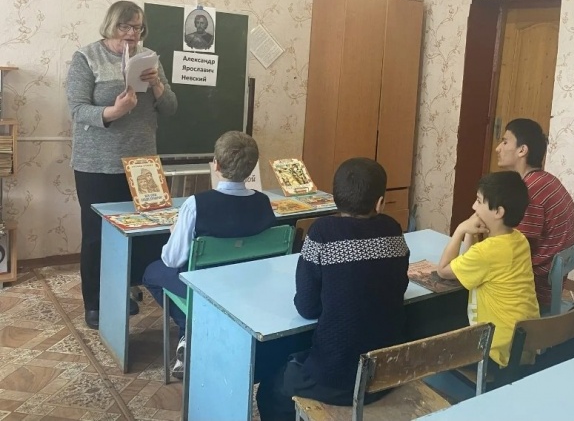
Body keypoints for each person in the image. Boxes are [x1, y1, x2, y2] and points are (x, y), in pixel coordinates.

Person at [255, 157, 410, 420]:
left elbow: (307, 307)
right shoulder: (393, 230)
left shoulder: (322, 232)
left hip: (336, 379)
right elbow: (400, 286)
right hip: (385, 374)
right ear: (380, 202)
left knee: (271, 390)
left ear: (334, 199)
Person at [66, 0, 177, 330]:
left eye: (138, 27)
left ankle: (127, 289)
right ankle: (95, 303)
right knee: (98, 237)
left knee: (144, 233)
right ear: (111, 26)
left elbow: (170, 108)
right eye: (125, 27)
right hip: (97, 165)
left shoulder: (149, 57)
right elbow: (77, 110)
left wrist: (157, 84)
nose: (132, 34)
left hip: (142, 165)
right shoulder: (87, 57)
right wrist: (115, 112)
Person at [142, 131, 276, 378]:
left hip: (206, 287)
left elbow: (172, 259)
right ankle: (199, 334)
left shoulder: (196, 204)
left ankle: (189, 329)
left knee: (151, 272)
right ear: (251, 168)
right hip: (248, 284)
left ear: (216, 165)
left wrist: (175, 232)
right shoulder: (264, 202)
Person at [437, 171, 540, 374]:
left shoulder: (486, 252)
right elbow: (471, 260)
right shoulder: (519, 240)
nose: (473, 207)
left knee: (435, 331)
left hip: (495, 353)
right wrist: (471, 232)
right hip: (524, 344)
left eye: (478, 201)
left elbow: (443, 270)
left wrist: (460, 229)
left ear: (498, 212)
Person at [495, 118, 574, 312]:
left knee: (472, 278)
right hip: (553, 279)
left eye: (505, 142)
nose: (498, 148)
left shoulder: (530, 192)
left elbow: (515, 251)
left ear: (522, 150)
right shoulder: (547, 180)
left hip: (537, 288)